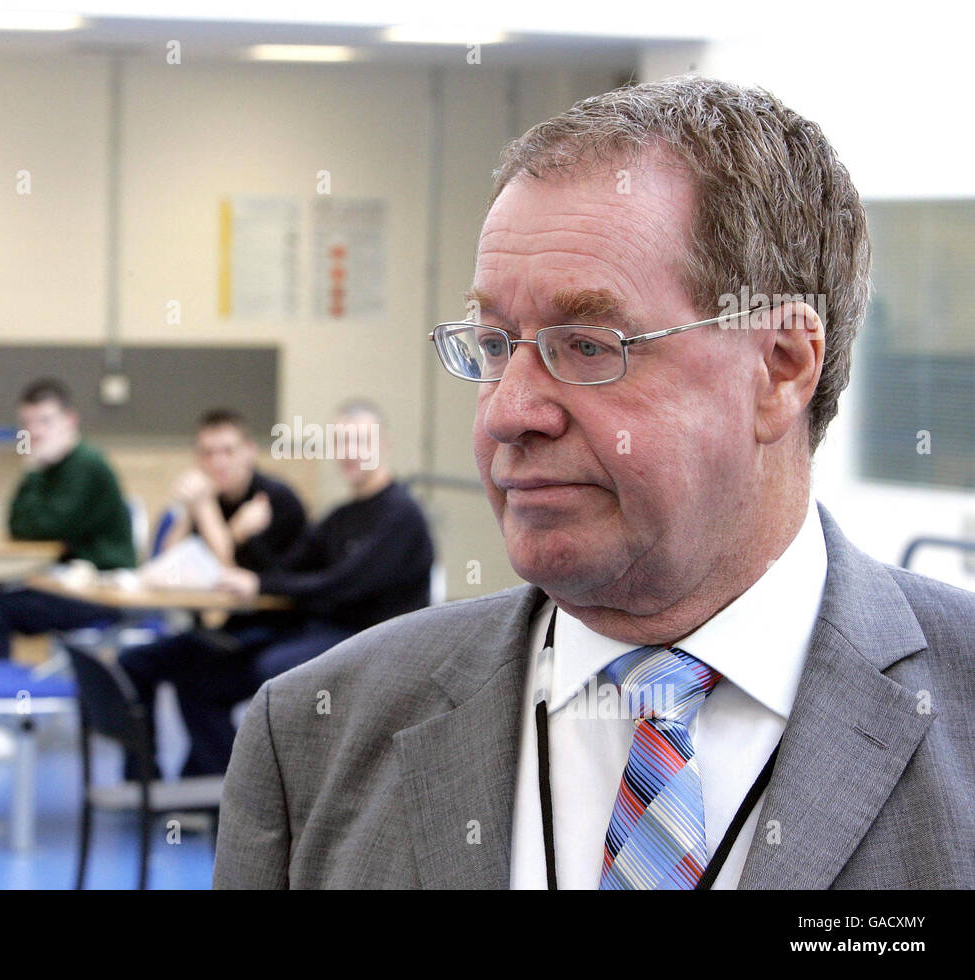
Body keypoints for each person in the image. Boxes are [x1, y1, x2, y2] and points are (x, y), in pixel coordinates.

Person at [214, 77, 975, 889]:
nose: (510, 413)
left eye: (587, 345)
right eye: (497, 343)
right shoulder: (314, 738)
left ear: (781, 368)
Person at [120, 400, 434, 777]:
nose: (350, 452)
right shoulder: (340, 517)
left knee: (272, 668)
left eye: (360, 441)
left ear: (382, 444)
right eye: (342, 442)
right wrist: (246, 546)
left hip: (373, 642)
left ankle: (281, 794)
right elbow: (289, 569)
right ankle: (211, 789)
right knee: (198, 675)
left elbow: (341, 585)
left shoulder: (400, 515)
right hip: (315, 630)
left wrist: (257, 580)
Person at [0, 378, 135, 660]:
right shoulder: (51, 466)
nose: (35, 433)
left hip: (100, 590)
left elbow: (40, 529)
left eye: (45, 422)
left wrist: (32, 471)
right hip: (67, 580)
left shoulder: (86, 465)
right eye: (27, 424)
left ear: (70, 420)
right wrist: (35, 471)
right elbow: (18, 524)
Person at [158, 408, 307, 572]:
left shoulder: (274, 500)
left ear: (250, 451)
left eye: (228, 451)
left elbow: (227, 573)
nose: (217, 463)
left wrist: (204, 506)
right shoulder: (207, 494)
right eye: (207, 453)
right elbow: (168, 565)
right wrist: (191, 511)